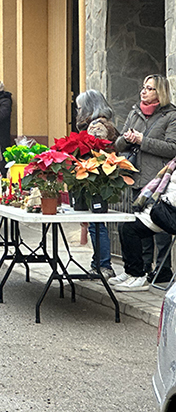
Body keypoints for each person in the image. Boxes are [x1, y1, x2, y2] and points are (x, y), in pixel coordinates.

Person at [113, 75, 176, 290]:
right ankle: (139, 271)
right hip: (137, 177)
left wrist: (143, 141)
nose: (144, 92)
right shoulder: (135, 112)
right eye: (143, 87)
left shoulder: (170, 116)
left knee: (159, 230)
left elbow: (172, 148)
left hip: (158, 182)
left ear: (160, 93)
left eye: (149, 88)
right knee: (138, 229)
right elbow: (118, 143)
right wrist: (128, 138)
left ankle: (162, 271)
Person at [75, 90, 119, 279]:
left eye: (79, 107)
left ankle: (103, 265)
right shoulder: (99, 123)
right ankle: (99, 263)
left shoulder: (96, 126)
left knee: (97, 224)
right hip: (95, 178)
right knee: (95, 223)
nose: (77, 111)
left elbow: (98, 154)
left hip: (97, 181)